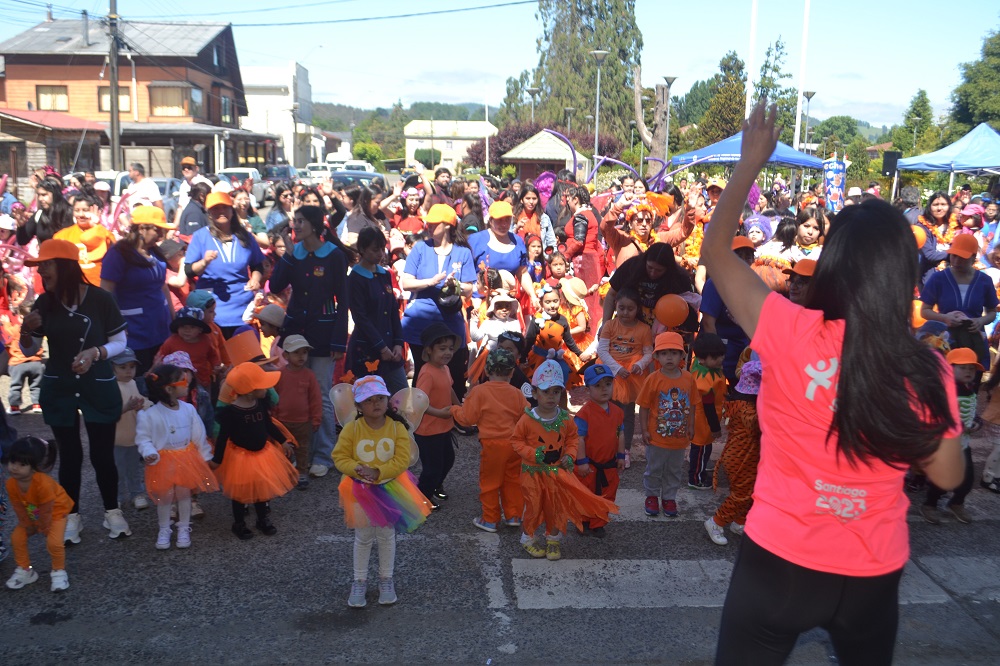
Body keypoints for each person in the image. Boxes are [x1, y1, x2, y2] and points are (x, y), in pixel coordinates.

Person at [701, 103, 964, 664]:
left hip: (779, 563)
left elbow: (716, 254)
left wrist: (751, 162)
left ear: (834, 264)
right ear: (902, 275)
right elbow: (946, 473)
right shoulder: (927, 368)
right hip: (873, 571)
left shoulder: (789, 329)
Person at [20, 239, 132, 543]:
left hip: (97, 383)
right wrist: (26, 329)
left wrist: (96, 352)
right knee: (70, 455)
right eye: (40, 266)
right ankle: (72, 516)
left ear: (66, 266)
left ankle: (112, 511)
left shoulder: (100, 299)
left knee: (102, 455)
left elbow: (121, 341)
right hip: (61, 385)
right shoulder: (44, 302)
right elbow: (27, 348)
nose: (42, 271)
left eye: (47, 264)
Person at [269, 205, 353, 477]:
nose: (295, 224)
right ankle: (297, 451)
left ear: (315, 225)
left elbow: (343, 300)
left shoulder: (334, 255)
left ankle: (323, 454)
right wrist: (289, 255)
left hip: (323, 335)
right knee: (291, 391)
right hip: (294, 333)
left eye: (301, 220)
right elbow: (275, 286)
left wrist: (339, 341)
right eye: (295, 220)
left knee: (320, 392)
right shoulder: (296, 253)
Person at [333, 374, 430, 608]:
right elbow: (339, 457)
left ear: (388, 401)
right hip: (360, 489)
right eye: (368, 400)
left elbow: (402, 459)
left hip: (391, 488)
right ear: (358, 405)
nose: (375, 403)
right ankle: (359, 581)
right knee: (363, 537)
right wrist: (358, 469)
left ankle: (386, 578)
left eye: (380, 398)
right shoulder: (351, 429)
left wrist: (379, 472)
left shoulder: (397, 427)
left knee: (386, 536)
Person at [511, 360, 618, 561]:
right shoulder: (527, 419)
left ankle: (553, 540)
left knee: (555, 507)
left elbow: (572, 438)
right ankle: (528, 539)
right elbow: (516, 441)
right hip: (532, 474)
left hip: (557, 473)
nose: (551, 397)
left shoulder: (565, 418)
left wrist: (569, 455)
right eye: (546, 391)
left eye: (556, 392)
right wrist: (533, 454)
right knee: (533, 507)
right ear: (534, 393)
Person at [212, 362, 298, 539]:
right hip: (240, 458)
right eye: (263, 386)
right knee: (239, 493)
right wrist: (217, 459)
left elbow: (268, 425)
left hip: (263, 455)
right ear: (250, 391)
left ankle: (262, 519)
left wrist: (283, 441)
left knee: (261, 489)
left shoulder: (259, 405)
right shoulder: (231, 412)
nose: (267, 389)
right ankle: (239, 524)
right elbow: (222, 438)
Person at [136, 364, 218, 550]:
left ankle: (183, 527)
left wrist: (205, 456)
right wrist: (149, 452)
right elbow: (143, 438)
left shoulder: (188, 409)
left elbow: (198, 434)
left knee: (184, 495)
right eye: (182, 379)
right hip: (162, 462)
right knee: (165, 498)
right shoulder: (149, 415)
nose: (187, 381)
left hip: (186, 460)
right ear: (168, 388)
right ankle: (164, 528)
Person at [399, 204, 476, 399]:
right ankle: (420, 420)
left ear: (448, 225)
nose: (429, 226)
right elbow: (406, 283)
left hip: (450, 320)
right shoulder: (420, 248)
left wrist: (456, 285)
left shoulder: (463, 252)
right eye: (428, 223)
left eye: (435, 223)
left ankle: (455, 418)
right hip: (421, 320)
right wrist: (430, 282)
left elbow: (469, 288)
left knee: (455, 375)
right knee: (423, 374)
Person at [450, 348, 529, 533]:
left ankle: (490, 519)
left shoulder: (479, 391)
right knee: (513, 480)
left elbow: (467, 418)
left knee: (490, 482)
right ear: (511, 372)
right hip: (514, 444)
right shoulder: (516, 393)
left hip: (492, 445)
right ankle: (513, 516)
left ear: (487, 370)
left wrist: (453, 410)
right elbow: (525, 416)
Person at [100, 205, 175, 373]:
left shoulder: (154, 252)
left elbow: (162, 286)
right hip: (134, 331)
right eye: (158, 230)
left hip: (160, 327)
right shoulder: (118, 254)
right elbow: (106, 293)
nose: (162, 235)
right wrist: (115, 324)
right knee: (138, 379)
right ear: (142, 229)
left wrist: (173, 315)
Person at [184, 191, 265, 337]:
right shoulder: (200, 236)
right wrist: (204, 262)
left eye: (225, 208)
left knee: (245, 356)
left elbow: (257, 265)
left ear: (232, 211)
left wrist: (255, 278)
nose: (221, 212)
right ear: (209, 213)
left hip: (243, 308)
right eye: (215, 208)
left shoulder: (245, 236)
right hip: (212, 309)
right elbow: (189, 270)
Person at [636, 332, 700, 518]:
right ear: (656, 356)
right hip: (657, 438)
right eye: (664, 353)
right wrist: (645, 430)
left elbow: (693, 403)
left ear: (683, 356)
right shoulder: (653, 379)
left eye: (674, 352)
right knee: (654, 469)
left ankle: (669, 498)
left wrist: (691, 426)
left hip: (679, 439)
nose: (669, 357)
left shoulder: (688, 378)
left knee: (674, 470)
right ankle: (652, 496)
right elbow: (644, 407)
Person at [705, 353, 762, 546]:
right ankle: (716, 521)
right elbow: (759, 425)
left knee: (752, 492)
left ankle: (739, 522)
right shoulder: (749, 410)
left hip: (746, 456)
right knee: (742, 494)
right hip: (741, 458)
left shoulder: (740, 403)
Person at [3, 437, 71, 591]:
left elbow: (48, 509)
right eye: (13, 462)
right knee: (17, 537)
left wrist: (44, 528)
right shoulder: (11, 484)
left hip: (56, 513)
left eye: (22, 464)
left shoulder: (43, 484)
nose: (14, 468)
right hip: (33, 514)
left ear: (34, 467)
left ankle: (59, 571)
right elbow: (18, 506)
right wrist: (27, 524)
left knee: (54, 543)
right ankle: (25, 570)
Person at [920, 234, 998, 369]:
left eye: (962, 258)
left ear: (974, 257)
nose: (956, 261)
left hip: (974, 342)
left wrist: (980, 321)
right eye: (954, 256)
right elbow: (924, 311)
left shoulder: (984, 281)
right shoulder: (938, 279)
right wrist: (944, 318)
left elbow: (992, 312)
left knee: (971, 384)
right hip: (945, 342)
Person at [920, 347, 978, 525]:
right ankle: (930, 504)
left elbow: (973, 410)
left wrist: (977, 422)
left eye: (971, 368)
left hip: (963, 443)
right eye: (963, 368)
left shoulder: (970, 387)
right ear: (948, 368)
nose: (968, 372)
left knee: (968, 478)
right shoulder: (945, 389)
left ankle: (957, 503)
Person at [596, 287, 653, 467]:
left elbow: (648, 352)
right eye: (621, 308)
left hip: (631, 376)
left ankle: (625, 450)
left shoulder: (644, 329)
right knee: (609, 411)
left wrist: (640, 364)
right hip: (611, 373)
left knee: (627, 414)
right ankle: (608, 447)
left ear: (638, 309)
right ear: (615, 307)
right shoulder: (609, 326)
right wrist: (616, 369)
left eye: (630, 308)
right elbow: (602, 350)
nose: (625, 312)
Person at [573, 364, 625, 538]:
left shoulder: (617, 412)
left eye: (608, 384)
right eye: (598, 385)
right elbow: (578, 439)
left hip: (608, 465)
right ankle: (583, 520)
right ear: (588, 389)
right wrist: (581, 462)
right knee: (584, 494)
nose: (604, 389)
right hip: (588, 465)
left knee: (607, 494)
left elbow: (621, 433)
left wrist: (621, 456)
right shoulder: (584, 414)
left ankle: (598, 523)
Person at [413, 323, 459, 510]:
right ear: (429, 350)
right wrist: (439, 413)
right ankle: (421, 497)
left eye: (450, 348)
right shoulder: (427, 373)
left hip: (443, 427)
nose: (448, 352)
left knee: (448, 459)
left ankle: (434, 486)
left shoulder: (445, 369)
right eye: (442, 349)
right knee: (432, 468)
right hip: (427, 430)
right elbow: (419, 402)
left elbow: (450, 390)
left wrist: (460, 406)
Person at [604, 243, 696, 330]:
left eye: (659, 270)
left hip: (664, 328)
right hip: (630, 324)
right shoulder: (631, 267)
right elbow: (611, 294)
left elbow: (688, 306)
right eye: (650, 267)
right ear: (645, 261)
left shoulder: (679, 277)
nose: (653, 273)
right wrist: (605, 324)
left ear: (668, 269)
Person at [468, 201, 538, 310]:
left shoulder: (518, 241)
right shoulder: (475, 240)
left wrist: (532, 295)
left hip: (507, 304)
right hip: (479, 302)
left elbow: (522, 273)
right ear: (490, 221)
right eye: (499, 220)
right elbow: (466, 273)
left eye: (507, 220)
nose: (504, 224)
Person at [273, 335, 322, 490]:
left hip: (303, 421)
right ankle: (284, 473)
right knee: (283, 449)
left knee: (302, 449)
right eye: (296, 352)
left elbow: (315, 399)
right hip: (282, 421)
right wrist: (273, 418)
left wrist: (316, 419)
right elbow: (274, 397)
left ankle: (301, 472)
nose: (301, 356)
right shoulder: (279, 374)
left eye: (304, 352)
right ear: (285, 355)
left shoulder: (309, 375)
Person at [111, 348, 151, 511]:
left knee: (134, 469)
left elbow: (142, 400)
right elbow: (110, 412)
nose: (128, 371)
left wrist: (146, 405)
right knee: (118, 471)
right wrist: (126, 407)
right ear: (112, 368)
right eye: (123, 367)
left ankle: (137, 493)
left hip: (134, 437)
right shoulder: (111, 386)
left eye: (132, 367)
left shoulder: (133, 383)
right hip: (116, 439)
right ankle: (117, 497)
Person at [54, 186, 116, 286]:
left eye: (85, 210)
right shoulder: (62, 236)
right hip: (73, 287)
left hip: (99, 288)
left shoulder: (105, 234)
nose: (81, 214)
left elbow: (114, 254)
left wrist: (96, 227)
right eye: (77, 210)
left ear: (97, 211)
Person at [688, 333, 727, 490]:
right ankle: (696, 478)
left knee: (703, 448)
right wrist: (715, 428)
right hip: (703, 420)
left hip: (702, 418)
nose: (720, 359)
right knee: (700, 448)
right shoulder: (705, 381)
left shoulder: (699, 364)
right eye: (715, 357)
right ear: (703, 359)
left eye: (721, 355)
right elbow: (708, 407)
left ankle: (701, 468)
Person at [154, 306, 220, 391]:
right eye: (183, 326)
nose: (187, 330)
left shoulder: (206, 341)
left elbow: (213, 355)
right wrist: (157, 368)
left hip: (202, 381)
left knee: (203, 401)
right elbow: (160, 357)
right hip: (179, 383)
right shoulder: (170, 342)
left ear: (200, 329)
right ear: (177, 328)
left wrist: (216, 365)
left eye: (192, 327)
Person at [3, 300, 44, 415]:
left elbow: (9, 331)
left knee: (16, 386)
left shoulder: (18, 328)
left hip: (18, 363)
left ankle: (14, 407)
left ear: (21, 317)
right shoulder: (38, 329)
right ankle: (37, 404)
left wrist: (6, 322)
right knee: (36, 385)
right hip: (36, 363)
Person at [17, 178, 73, 245]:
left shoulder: (70, 213)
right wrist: (21, 226)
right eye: (39, 195)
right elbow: (22, 241)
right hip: (44, 254)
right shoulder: (39, 214)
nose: (40, 199)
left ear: (55, 194)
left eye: (44, 195)